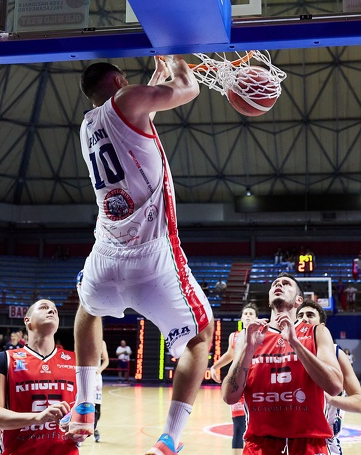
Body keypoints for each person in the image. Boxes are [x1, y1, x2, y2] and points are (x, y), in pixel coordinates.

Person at [73, 57, 214, 455]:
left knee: (87, 308)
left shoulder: (87, 126)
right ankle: (170, 437)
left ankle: (85, 403)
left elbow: (135, 121)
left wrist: (153, 82)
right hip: (151, 260)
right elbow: (190, 91)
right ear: (119, 81)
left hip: (104, 256)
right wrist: (180, 65)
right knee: (200, 338)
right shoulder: (128, 99)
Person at [222, 273, 343, 455]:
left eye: (286, 284)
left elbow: (334, 386)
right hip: (260, 443)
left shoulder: (317, 331)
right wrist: (248, 350)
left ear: (298, 300)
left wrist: (295, 343)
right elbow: (229, 396)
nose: (279, 284)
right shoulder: (250, 336)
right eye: (275, 284)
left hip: (308, 442)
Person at [0, 299, 78, 455]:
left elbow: (86, 412)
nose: (51, 311)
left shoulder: (76, 361)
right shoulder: (4, 359)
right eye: (43, 307)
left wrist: (82, 426)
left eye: (55, 309)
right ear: (27, 321)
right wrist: (37, 418)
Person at [296, 299, 361, 455]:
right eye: (300, 315)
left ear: (322, 326)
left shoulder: (336, 353)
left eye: (310, 315)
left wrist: (331, 399)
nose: (304, 319)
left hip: (325, 444)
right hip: (290, 441)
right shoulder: (286, 352)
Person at [208, 303, 260, 453]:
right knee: (238, 426)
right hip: (239, 383)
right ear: (242, 318)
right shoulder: (234, 336)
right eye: (246, 314)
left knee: (258, 425)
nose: (248, 316)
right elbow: (230, 355)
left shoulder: (263, 334)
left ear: (256, 318)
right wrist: (215, 366)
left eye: (251, 313)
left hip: (256, 383)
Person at [94, 340, 109, 443]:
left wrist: (100, 369)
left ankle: (95, 428)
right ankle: (79, 433)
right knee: (82, 405)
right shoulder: (82, 338)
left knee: (97, 408)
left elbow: (106, 360)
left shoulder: (101, 342)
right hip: (84, 375)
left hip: (96, 378)